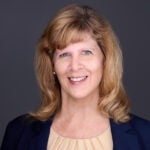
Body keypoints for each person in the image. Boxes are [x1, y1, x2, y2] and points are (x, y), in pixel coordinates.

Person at [1, 4, 150, 150]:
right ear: (52, 65)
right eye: (64, 54)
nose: (75, 66)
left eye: (86, 52)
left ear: (105, 61)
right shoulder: (18, 132)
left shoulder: (145, 135)